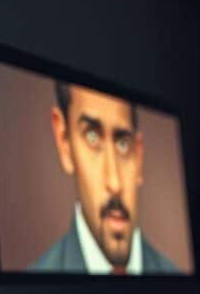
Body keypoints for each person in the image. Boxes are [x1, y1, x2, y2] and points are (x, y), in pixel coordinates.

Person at [30, 82, 178, 274]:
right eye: (92, 136)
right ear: (64, 141)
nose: (114, 182)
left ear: (139, 157)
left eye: (123, 144)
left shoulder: (176, 278)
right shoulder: (37, 285)